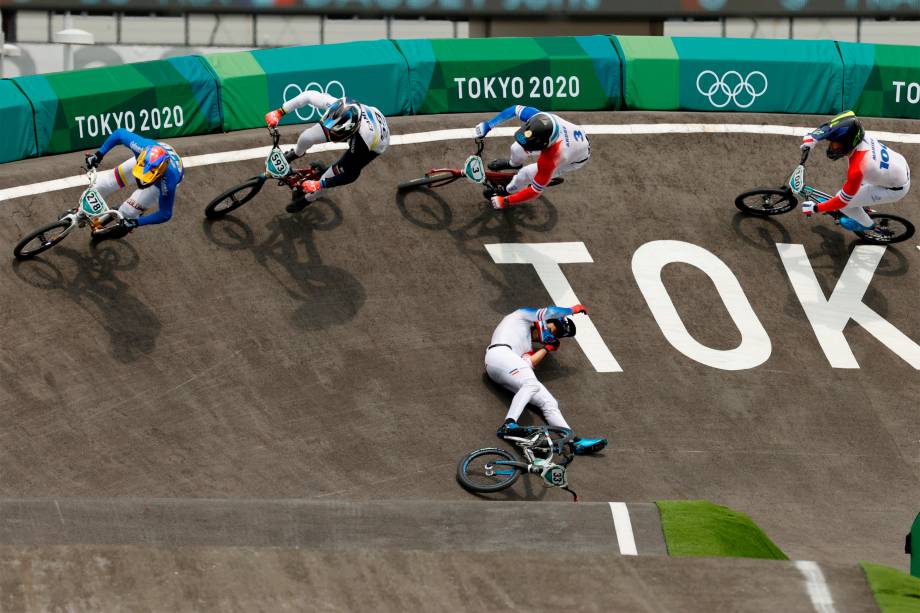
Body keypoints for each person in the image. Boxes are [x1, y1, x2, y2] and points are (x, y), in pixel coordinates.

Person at [485, 305, 607, 455]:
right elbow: (549, 311)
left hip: (504, 367)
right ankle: (508, 424)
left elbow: (527, 364)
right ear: (544, 321)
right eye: (551, 329)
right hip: (499, 354)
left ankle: (573, 442)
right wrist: (571, 310)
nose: (550, 334)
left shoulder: (527, 346)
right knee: (531, 383)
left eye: (554, 335)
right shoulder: (521, 316)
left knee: (549, 402)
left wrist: (547, 348)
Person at [265, 94, 389, 212]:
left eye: (334, 134)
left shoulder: (363, 142)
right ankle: (296, 153)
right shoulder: (337, 105)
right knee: (306, 137)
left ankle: (307, 200)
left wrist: (319, 184)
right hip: (356, 122)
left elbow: (352, 175)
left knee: (331, 176)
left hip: (376, 143)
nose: (329, 136)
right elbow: (308, 96)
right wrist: (279, 112)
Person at [800, 111, 910, 233]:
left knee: (844, 204)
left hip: (894, 189)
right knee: (855, 190)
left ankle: (866, 225)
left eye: (835, 144)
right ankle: (861, 205)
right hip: (896, 166)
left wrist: (815, 208)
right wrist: (814, 136)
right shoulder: (857, 133)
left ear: (847, 143)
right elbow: (836, 123)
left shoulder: (858, 168)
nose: (831, 147)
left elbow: (841, 201)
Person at [473, 105, 590, 210]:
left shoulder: (552, 158)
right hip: (567, 140)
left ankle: (507, 190)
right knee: (516, 148)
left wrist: (506, 201)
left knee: (525, 174)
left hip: (574, 158)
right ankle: (514, 164)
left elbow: (535, 191)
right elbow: (514, 109)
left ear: (545, 146)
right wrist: (488, 125)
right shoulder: (539, 117)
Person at [83, 128, 184, 239]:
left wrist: (137, 222)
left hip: (158, 182)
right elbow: (119, 134)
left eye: (146, 178)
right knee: (103, 185)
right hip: (147, 161)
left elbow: (165, 214)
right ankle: (80, 212)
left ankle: (130, 211)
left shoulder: (168, 183)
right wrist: (98, 155)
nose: (141, 180)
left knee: (128, 213)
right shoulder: (141, 147)